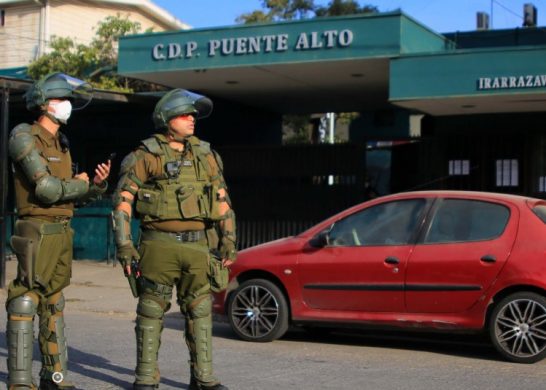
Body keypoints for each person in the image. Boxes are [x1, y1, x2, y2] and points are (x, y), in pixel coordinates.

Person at [112, 89, 237, 390]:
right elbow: (123, 200)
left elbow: (222, 201)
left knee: (201, 311)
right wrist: (124, 244)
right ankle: (145, 378)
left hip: (197, 247)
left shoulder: (206, 156)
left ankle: (204, 378)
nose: (192, 119)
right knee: (151, 310)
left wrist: (229, 240)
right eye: (185, 114)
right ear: (167, 119)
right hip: (158, 244)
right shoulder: (146, 155)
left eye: (193, 114)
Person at [6, 72, 111, 389]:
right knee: (25, 300)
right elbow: (47, 190)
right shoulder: (24, 136)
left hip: (62, 228)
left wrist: (95, 186)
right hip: (37, 228)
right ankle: (21, 381)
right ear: (45, 102)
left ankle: (54, 377)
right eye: (62, 99)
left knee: (54, 302)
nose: (67, 105)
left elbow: (69, 196)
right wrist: (78, 186)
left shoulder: (61, 145)